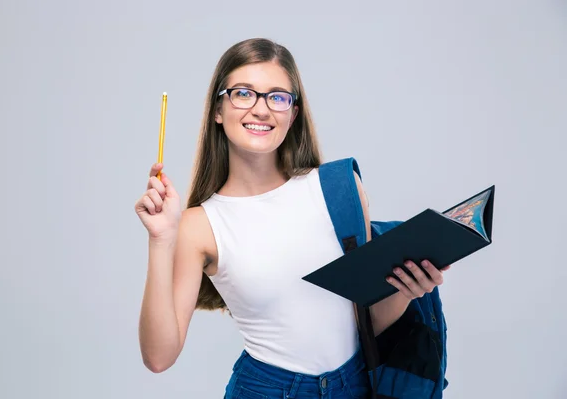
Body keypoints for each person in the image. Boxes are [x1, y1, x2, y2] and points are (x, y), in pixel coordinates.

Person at [134, 37, 450, 399]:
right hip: (267, 390)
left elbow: (368, 322)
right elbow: (159, 357)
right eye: (243, 93)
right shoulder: (198, 225)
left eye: (277, 96)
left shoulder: (340, 188)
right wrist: (161, 239)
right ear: (217, 110)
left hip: (356, 385)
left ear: (293, 113)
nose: (261, 109)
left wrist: (408, 291)